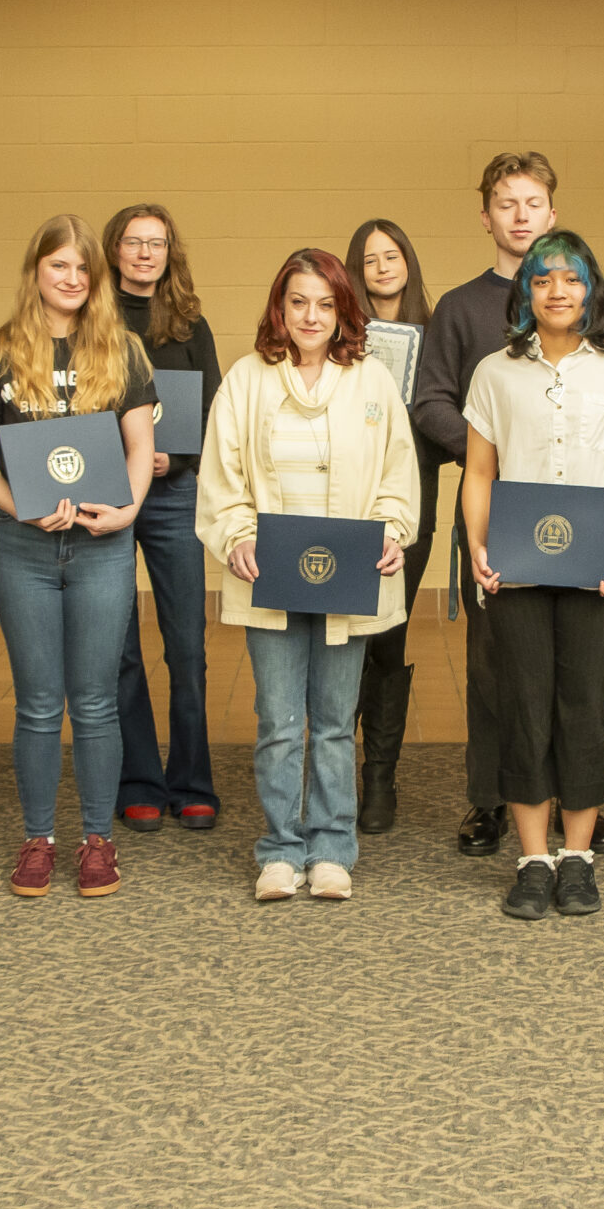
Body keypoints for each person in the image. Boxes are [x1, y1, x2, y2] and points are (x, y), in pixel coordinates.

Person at [410, 152, 604, 859]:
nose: (521, 214)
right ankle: (490, 798)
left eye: (533, 202)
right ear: (487, 216)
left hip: (583, 518)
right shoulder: (459, 307)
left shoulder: (592, 303)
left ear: (552, 212)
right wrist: (487, 454)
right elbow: (430, 400)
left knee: (580, 668)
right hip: (499, 515)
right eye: (507, 202)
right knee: (499, 663)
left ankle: (575, 799)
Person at [197, 249, 421, 902]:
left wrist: (390, 526)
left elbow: (397, 472)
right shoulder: (246, 379)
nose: (311, 315)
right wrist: (236, 533)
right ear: (280, 307)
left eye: (325, 302)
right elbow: (222, 473)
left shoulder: (372, 381)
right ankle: (279, 848)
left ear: (343, 310)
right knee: (278, 720)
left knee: (331, 718)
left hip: (348, 576)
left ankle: (330, 847)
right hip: (268, 575)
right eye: (298, 301)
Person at [0, 214, 156, 901]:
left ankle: (97, 840)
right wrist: (17, 504)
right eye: (58, 266)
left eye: (82, 269)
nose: (70, 279)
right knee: (39, 703)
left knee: (97, 701)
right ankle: (38, 837)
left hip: (103, 545)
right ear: (35, 271)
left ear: (95, 279)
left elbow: (138, 448)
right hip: (25, 548)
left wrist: (127, 509)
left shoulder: (123, 350)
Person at [461, 230, 604, 920]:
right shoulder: (495, 372)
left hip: (594, 569)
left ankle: (578, 858)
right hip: (514, 566)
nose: (558, 291)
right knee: (524, 702)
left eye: (571, 279)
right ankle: (533, 858)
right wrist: (478, 546)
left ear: (591, 288)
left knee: (582, 703)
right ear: (526, 291)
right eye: (543, 280)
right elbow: (479, 470)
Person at [102, 204, 221, 833]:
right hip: (108, 494)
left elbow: (212, 411)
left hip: (174, 494)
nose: (145, 253)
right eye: (134, 242)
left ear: (170, 251)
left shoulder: (189, 323)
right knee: (119, 647)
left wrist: (177, 455)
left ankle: (193, 780)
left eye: (157, 243)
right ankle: (140, 779)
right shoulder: (92, 317)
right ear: (114, 249)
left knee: (187, 647)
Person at [345, 216, 437, 832]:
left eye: (392, 254)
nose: (382, 266)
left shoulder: (437, 333)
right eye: (370, 258)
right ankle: (335, 768)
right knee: (346, 635)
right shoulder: (339, 332)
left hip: (411, 500)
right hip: (345, 504)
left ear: (408, 261)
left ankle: (380, 776)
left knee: (389, 635)